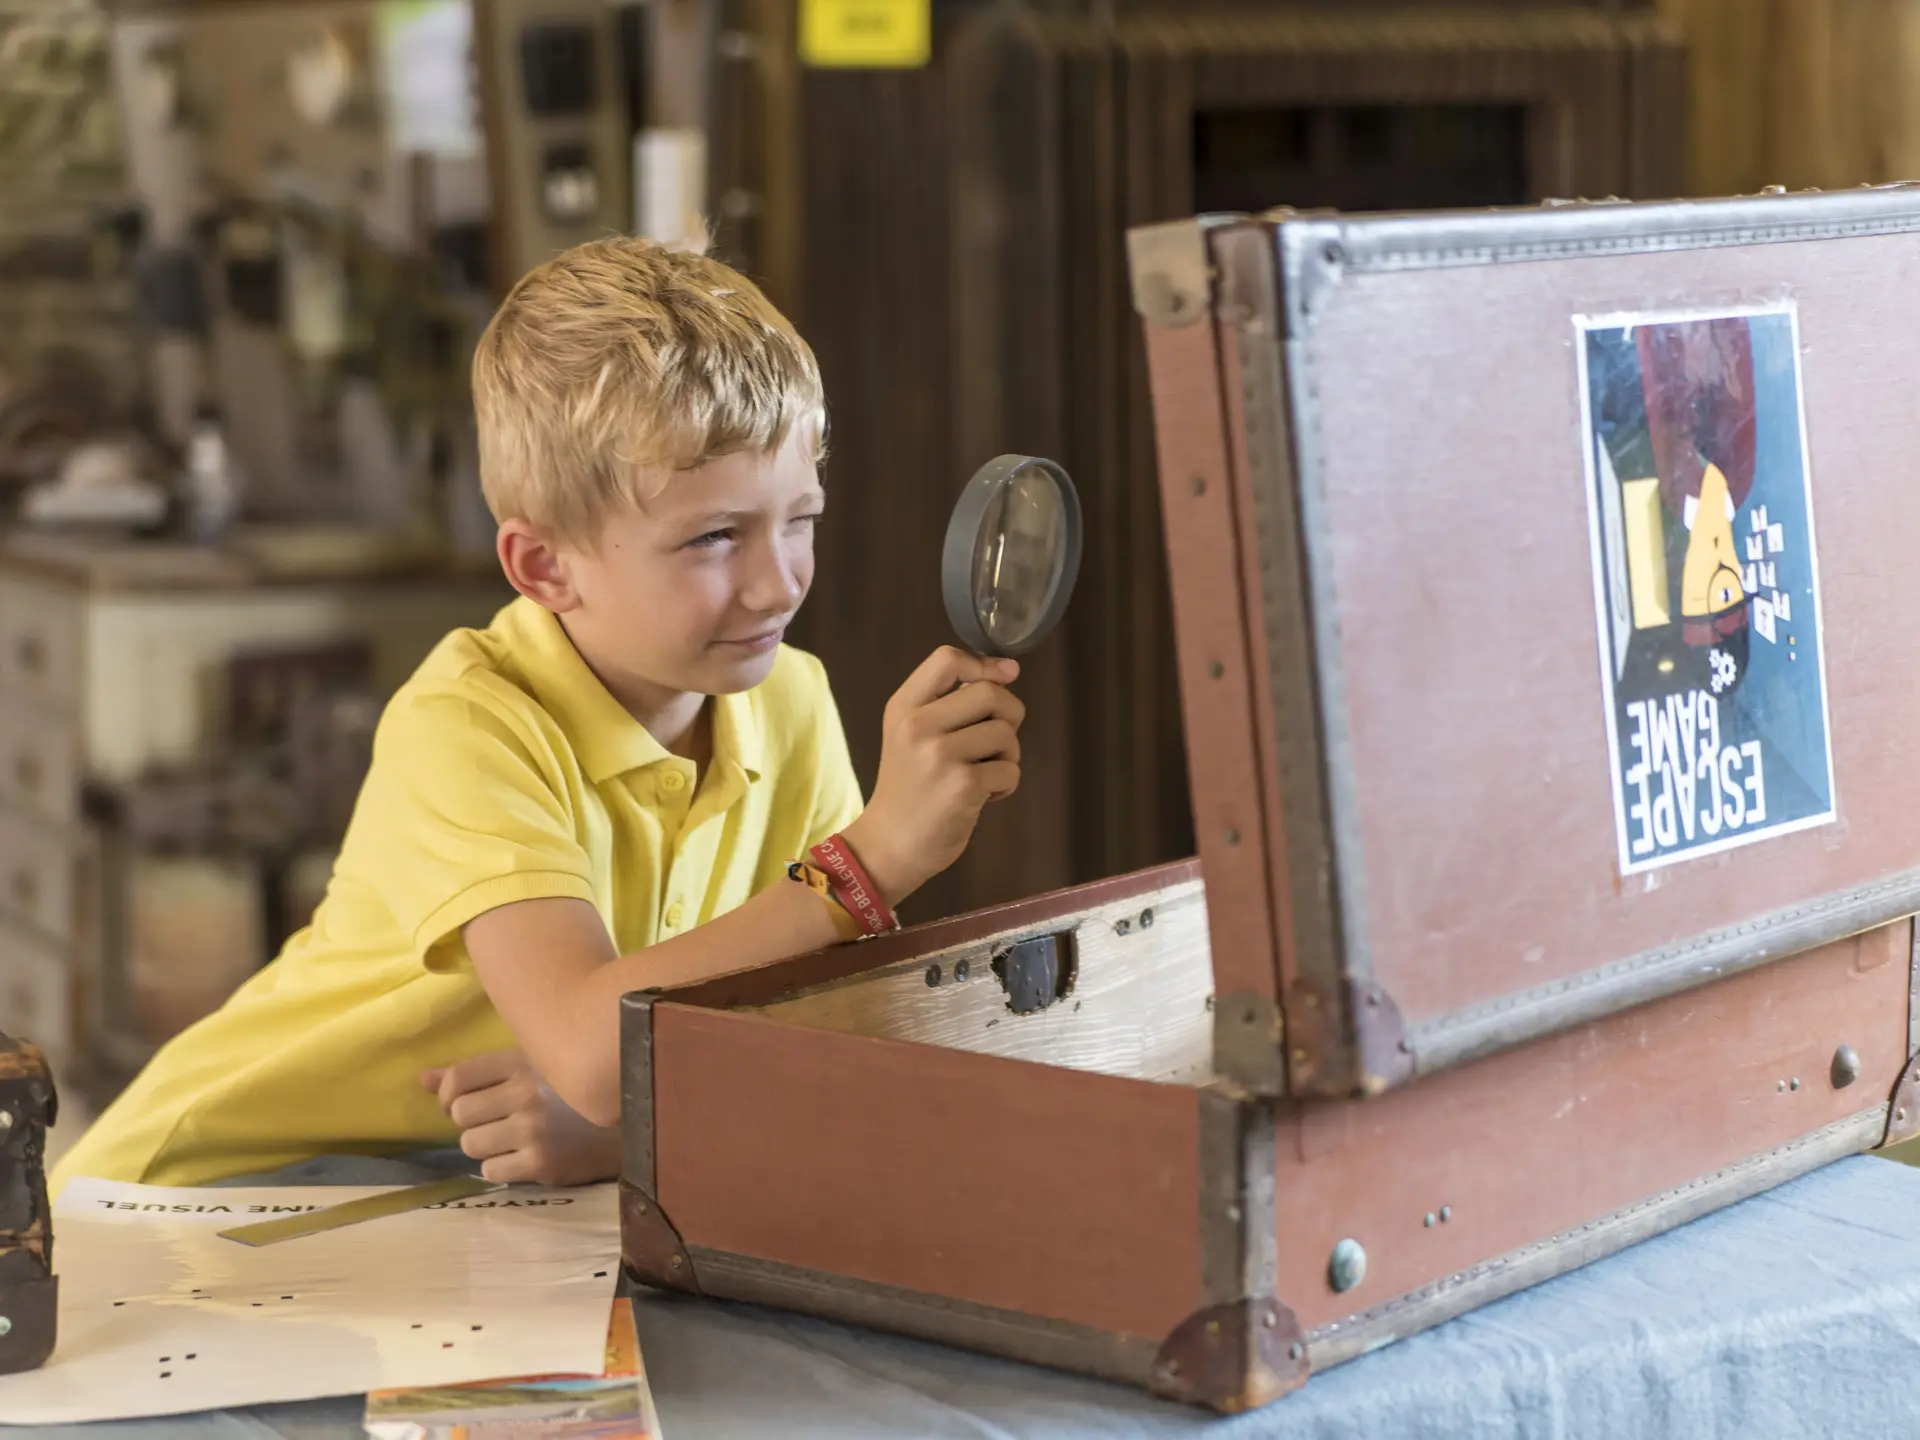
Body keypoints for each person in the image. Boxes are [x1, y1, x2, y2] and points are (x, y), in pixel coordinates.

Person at [51, 238, 1024, 1191]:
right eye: (717, 537)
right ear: (544, 568)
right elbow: (593, 1056)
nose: (778, 585)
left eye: (799, 519)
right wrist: (869, 863)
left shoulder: (789, 701)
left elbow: (828, 1038)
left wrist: (629, 1132)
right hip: (214, 1195)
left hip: (452, 1193)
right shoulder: (470, 725)